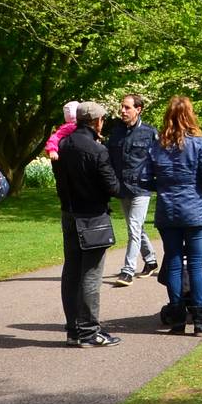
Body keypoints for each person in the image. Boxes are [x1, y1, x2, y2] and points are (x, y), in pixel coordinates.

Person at [143, 96, 202, 337]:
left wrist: (165, 186)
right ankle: (199, 320)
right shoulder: (198, 144)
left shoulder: (156, 146)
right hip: (193, 209)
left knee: (174, 262)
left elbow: (145, 179)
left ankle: (177, 320)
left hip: (168, 209)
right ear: (190, 116)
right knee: (196, 264)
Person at [53, 100, 122, 347]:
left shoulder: (63, 144)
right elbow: (112, 186)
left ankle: (73, 329)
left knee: (71, 272)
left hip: (69, 213)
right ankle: (89, 332)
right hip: (92, 215)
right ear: (96, 121)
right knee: (91, 275)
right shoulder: (97, 150)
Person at [105, 93, 160, 287]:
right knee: (136, 227)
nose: (122, 111)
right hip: (122, 188)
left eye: (127, 107)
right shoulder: (116, 132)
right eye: (122, 107)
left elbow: (158, 160)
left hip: (142, 188)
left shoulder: (150, 133)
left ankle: (128, 270)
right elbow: (109, 160)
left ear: (138, 109)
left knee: (134, 228)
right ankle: (151, 260)